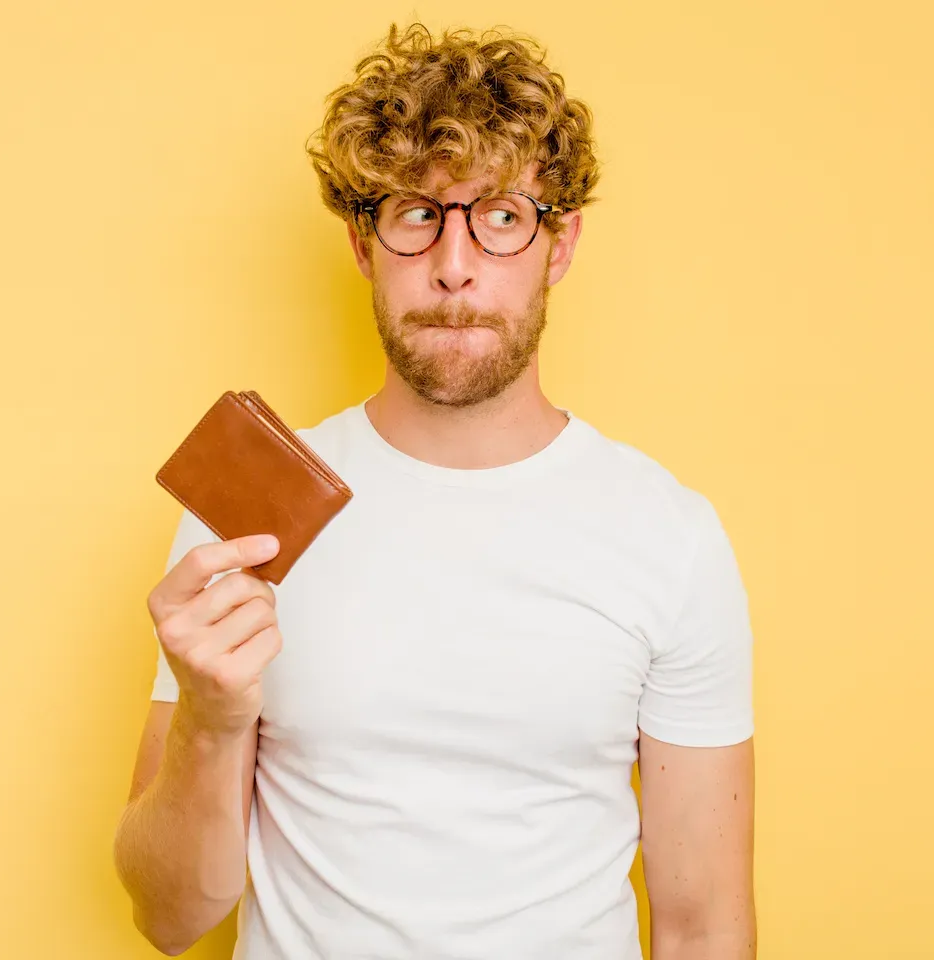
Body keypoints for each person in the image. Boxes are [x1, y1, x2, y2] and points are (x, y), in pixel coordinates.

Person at [114, 22, 756, 960]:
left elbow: (704, 926)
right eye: (416, 214)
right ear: (364, 244)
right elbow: (169, 919)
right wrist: (212, 721)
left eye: (500, 216)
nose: (454, 265)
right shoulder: (247, 521)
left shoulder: (670, 537)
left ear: (560, 243)